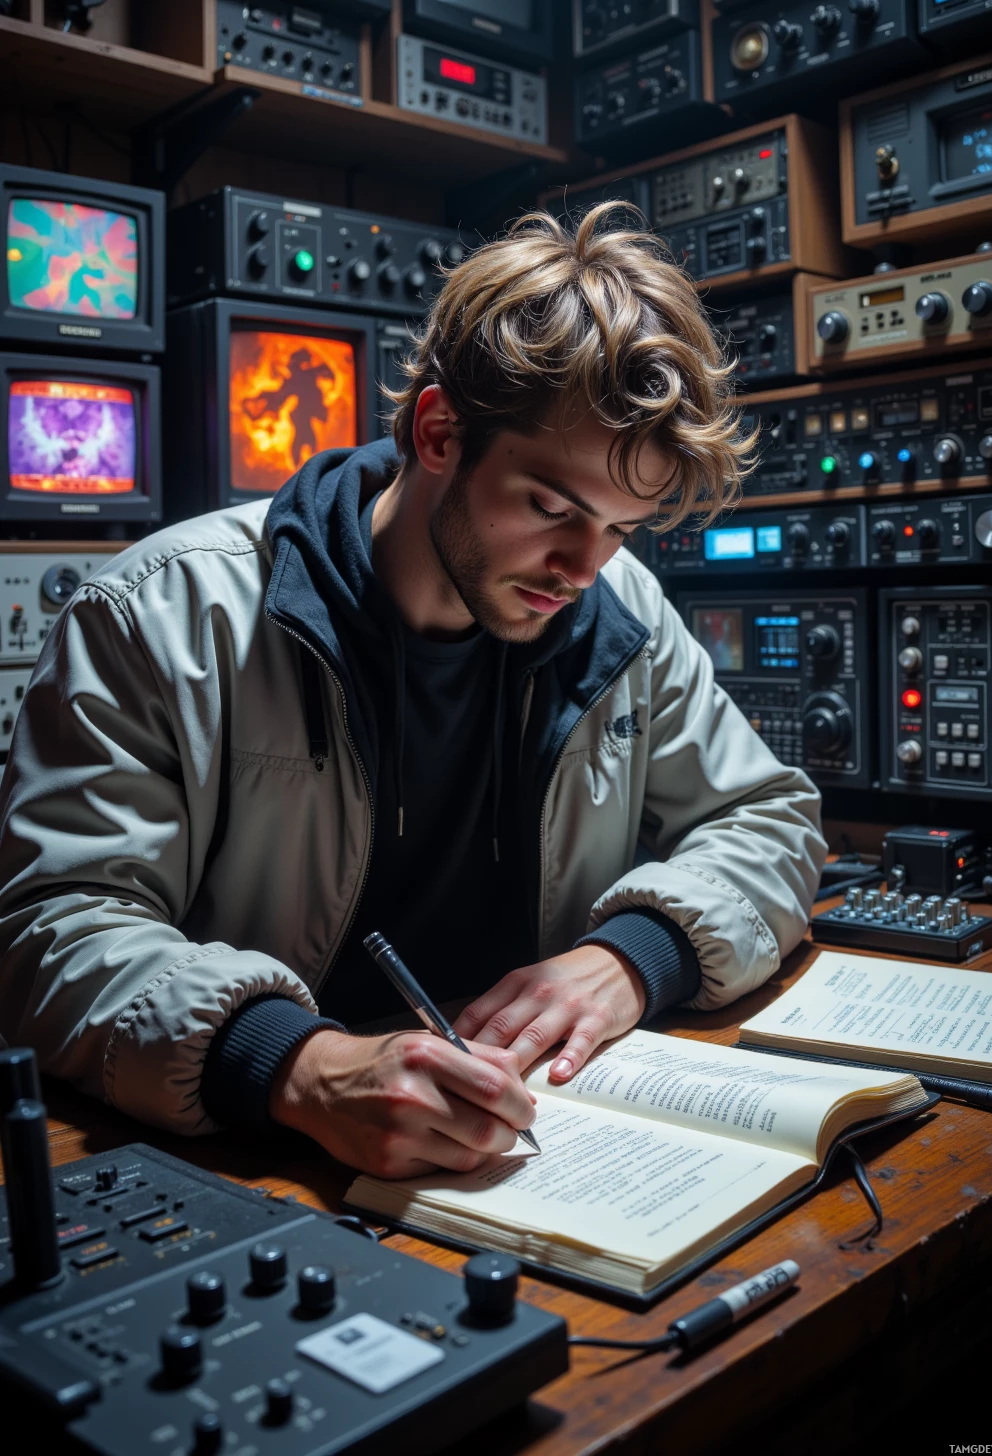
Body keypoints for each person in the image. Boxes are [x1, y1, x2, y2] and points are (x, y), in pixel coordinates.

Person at [0, 204, 826, 1180]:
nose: (580, 568)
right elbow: (51, 927)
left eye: (620, 528)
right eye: (551, 508)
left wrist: (634, 956)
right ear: (438, 432)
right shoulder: (162, 610)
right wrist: (294, 1065)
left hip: (539, 1144)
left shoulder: (620, 609)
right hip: (264, 1159)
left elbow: (769, 820)